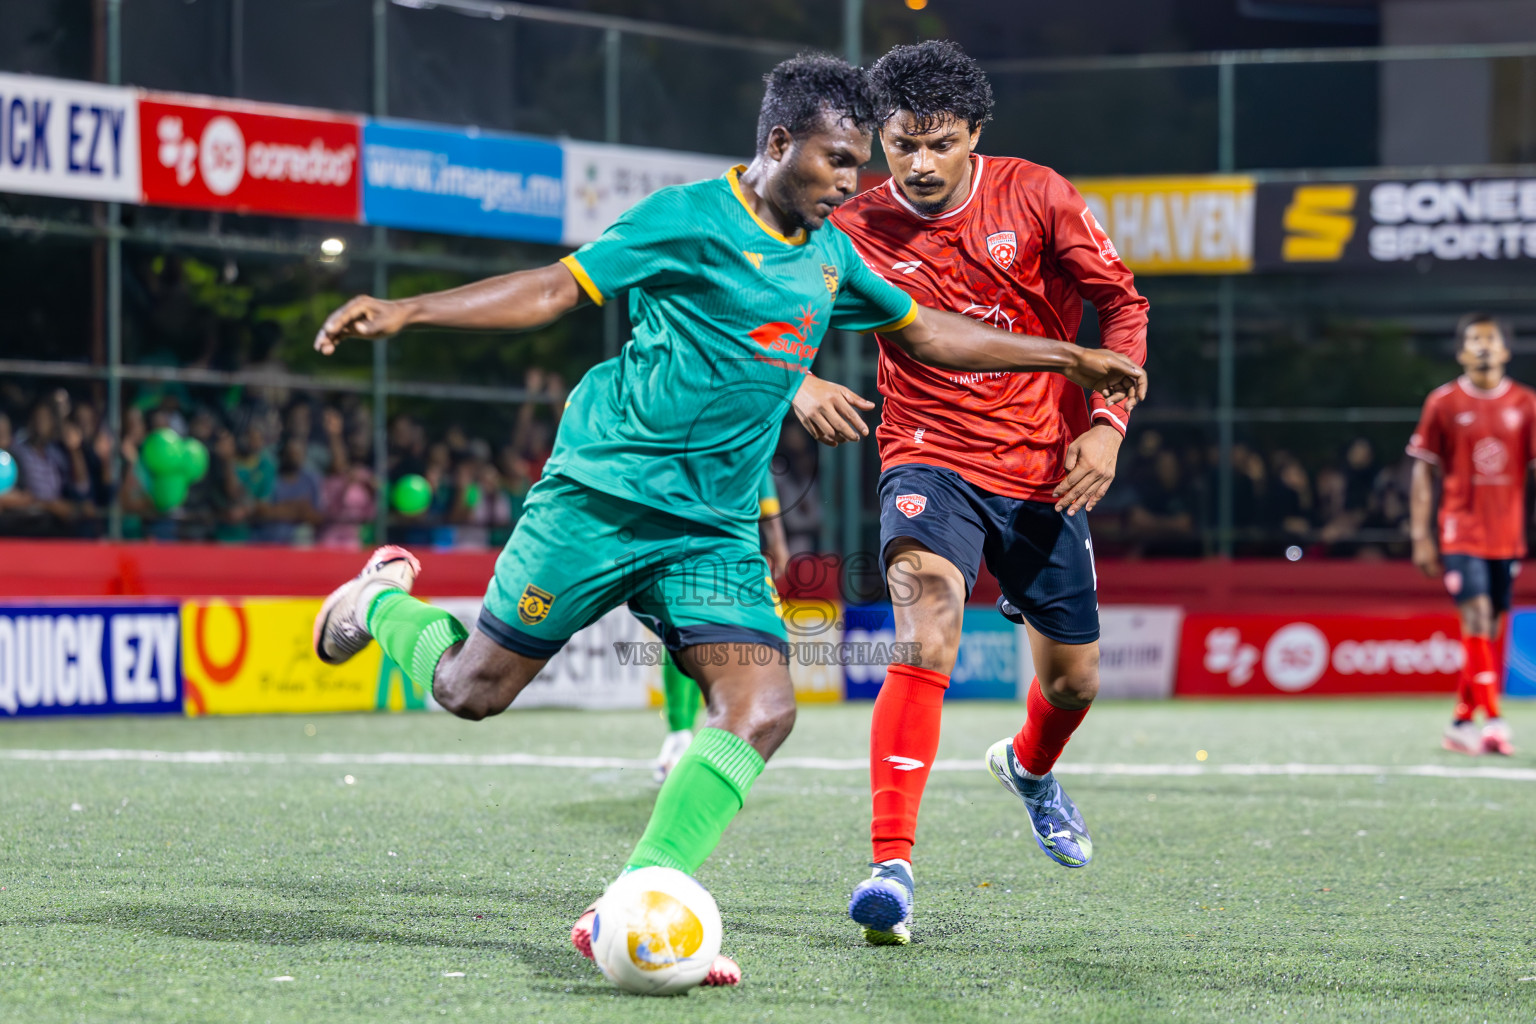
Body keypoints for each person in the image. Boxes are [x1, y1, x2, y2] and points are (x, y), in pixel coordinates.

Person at [309, 53, 1144, 982]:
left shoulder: (832, 252)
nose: (853, 183)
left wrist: (1067, 359)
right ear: (780, 144)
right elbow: (553, 289)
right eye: (838, 160)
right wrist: (409, 310)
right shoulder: (685, 218)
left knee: (763, 710)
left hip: (710, 529)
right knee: (472, 690)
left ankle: (637, 901)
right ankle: (378, 602)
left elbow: (925, 331)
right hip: (602, 498)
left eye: (859, 163)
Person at [828, 40, 1149, 945]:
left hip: (1045, 467)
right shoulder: (852, 225)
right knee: (927, 625)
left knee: (1074, 682)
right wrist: (800, 381)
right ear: (880, 139)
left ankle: (1029, 769)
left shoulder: (1037, 194)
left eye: (941, 143)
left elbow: (1123, 306)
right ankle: (891, 868)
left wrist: (1106, 425)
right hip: (926, 454)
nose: (921, 164)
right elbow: (769, 313)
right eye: (903, 144)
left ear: (974, 134)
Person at [1408, 312, 1532, 757]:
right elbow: (1423, 471)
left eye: (1490, 339)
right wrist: (1421, 535)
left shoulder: (1526, 404)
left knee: (1490, 626)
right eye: (1474, 340)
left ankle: (1461, 723)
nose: (1482, 346)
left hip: (1507, 535)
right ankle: (1494, 721)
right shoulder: (1442, 402)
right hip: (1460, 530)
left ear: (1505, 350)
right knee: (1476, 615)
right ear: (1461, 352)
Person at [654, 464, 792, 783]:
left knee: (737, 637)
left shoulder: (747, 434)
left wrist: (777, 542)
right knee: (682, 630)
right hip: (685, 539)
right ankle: (680, 734)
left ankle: (714, 730)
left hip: (734, 546)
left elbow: (762, 477)